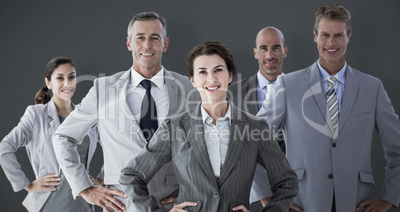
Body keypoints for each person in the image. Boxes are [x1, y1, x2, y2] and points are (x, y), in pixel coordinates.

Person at [119, 41, 298, 212]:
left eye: (218, 70)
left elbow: (287, 182)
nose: (211, 79)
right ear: (193, 80)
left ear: (229, 76)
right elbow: (131, 176)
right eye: (202, 72)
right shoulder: (175, 127)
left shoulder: (256, 128)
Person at [257, 3, 400, 212]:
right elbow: (250, 144)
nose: (331, 42)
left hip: (353, 204)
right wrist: (269, 199)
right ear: (315, 36)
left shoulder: (373, 88)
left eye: (338, 35)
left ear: (349, 36)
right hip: (302, 202)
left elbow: (398, 149)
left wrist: (389, 198)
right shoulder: (287, 85)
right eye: (325, 35)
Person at [52, 12, 194, 212]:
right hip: (121, 205)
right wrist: (85, 188)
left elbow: (210, 146)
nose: (147, 45)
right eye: (140, 38)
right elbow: (63, 137)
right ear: (129, 43)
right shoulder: (103, 89)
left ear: (165, 44)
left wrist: (195, 191)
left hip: (175, 205)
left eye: (155, 38)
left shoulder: (189, 88)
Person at [0, 57, 101, 212]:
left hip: (83, 204)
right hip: (48, 204)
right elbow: (4, 148)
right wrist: (28, 185)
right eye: (60, 78)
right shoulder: (35, 114)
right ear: (48, 83)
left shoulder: (87, 116)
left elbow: (114, 145)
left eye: (72, 77)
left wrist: (102, 178)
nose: (67, 84)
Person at [228, 27, 287, 211]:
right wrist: (265, 197)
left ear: (285, 51)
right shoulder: (232, 93)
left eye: (276, 48)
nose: (269, 55)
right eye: (263, 48)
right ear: (255, 53)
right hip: (245, 200)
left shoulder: (299, 90)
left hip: (294, 198)